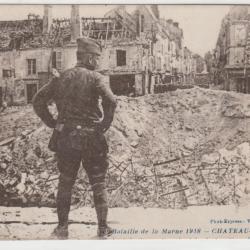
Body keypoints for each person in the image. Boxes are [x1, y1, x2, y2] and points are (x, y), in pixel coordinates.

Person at [32, 37, 117, 239]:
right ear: (89, 58)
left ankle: (62, 228)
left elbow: (37, 101)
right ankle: (103, 229)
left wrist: (52, 122)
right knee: (98, 183)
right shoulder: (96, 78)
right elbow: (111, 102)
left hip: (66, 138)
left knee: (66, 182)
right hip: (92, 139)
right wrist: (103, 125)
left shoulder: (61, 77)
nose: (98, 61)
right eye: (96, 57)